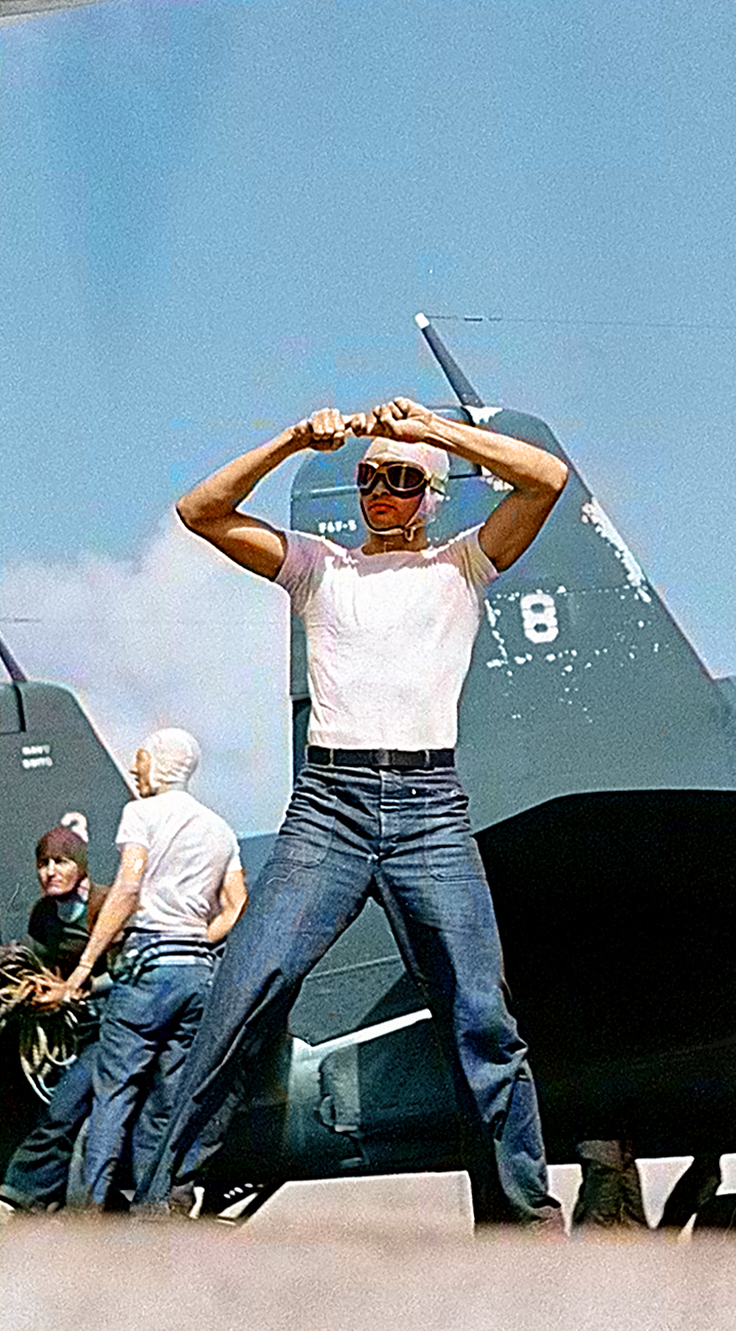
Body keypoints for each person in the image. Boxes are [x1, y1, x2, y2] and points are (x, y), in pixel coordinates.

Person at [135, 396, 569, 1226]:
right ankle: (163, 1197)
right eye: (371, 478)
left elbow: (545, 478)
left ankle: (520, 1217)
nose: (384, 492)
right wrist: (294, 438)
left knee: (480, 1008)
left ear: (433, 495)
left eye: (403, 480)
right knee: (248, 985)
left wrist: (433, 432)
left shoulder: (462, 566)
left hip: (429, 811)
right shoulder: (318, 567)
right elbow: (201, 511)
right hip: (327, 809)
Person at [47, 726, 247, 1208]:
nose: (135, 771)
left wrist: (84, 968)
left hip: (147, 973)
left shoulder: (141, 814)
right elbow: (237, 904)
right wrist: (197, 940)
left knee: (114, 1094)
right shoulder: (219, 828)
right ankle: (154, 1208)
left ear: (157, 765)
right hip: (198, 975)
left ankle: (89, 1209)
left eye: (139, 762)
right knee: (166, 1100)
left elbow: (128, 887)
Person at [0, 824, 114, 1210]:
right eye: (43, 863)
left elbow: (129, 971)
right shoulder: (44, 915)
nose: (50, 871)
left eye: (61, 862)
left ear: (80, 867)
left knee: (63, 1110)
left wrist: (79, 989)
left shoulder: (105, 906)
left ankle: (26, 1195)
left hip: (114, 1026)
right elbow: (42, 960)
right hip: (75, 1030)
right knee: (61, 1108)